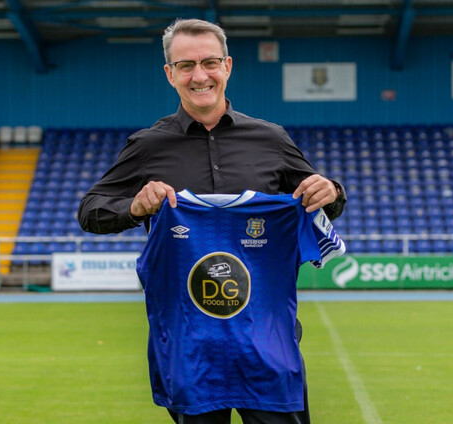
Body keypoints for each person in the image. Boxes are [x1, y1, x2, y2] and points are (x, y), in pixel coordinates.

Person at [78, 18, 346, 424]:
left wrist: (331, 191)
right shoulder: (148, 146)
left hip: (268, 343)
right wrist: (135, 207)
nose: (199, 75)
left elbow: (320, 199)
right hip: (190, 350)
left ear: (227, 66)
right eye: (186, 65)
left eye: (209, 62)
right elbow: (90, 210)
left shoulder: (271, 140)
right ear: (170, 74)